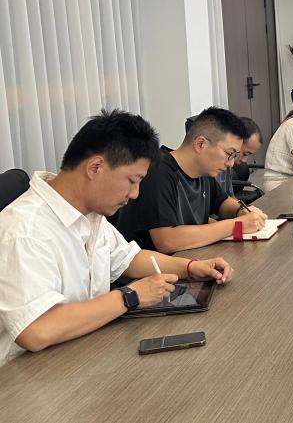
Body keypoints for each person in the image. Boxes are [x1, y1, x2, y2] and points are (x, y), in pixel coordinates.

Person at [0, 110, 234, 365]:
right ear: (95, 167)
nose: (135, 194)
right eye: (132, 181)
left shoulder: (90, 213)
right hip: (26, 373)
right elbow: (37, 330)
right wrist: (129, 296)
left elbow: (129, 258)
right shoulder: (25, 230)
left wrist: (190, 267)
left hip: (82, 352)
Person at [115, 107, 268, 253]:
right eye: (229, 154)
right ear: (200, 144)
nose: (231, 164)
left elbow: (222, 202)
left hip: (194, 259)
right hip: (156, 267)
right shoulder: (158, 172)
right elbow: (167, 241)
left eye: (235, 156)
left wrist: (242, 211)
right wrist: (237, 226)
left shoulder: (204, 172)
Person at [185, 115, 262, 198]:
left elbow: (227, 198)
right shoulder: (202, 171)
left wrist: (238, 206)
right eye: (245, 154)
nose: (230, 164)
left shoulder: (225, 164)